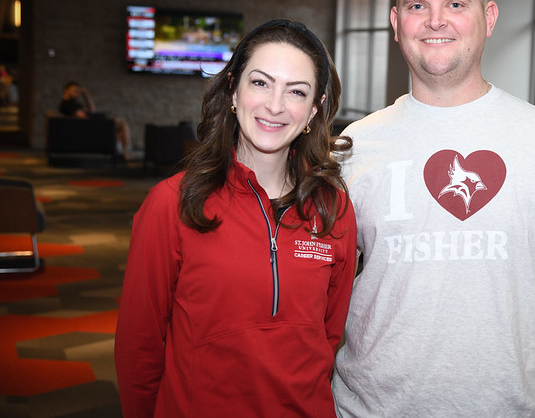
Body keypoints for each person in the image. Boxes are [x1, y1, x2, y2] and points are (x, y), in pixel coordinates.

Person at [331, 0, 535, 417]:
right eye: (417, 5)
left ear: (488, 18)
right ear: (396, 21)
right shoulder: (352, 147)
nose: (435, 21)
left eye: (456, 4)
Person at [114, 20, 358, 417]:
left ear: (314, 109)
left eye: (296, 91)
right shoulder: (172, 203)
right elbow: (138, 348)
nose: (275, 105)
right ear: (233, 88)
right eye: (260, 83)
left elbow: (328, 336)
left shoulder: (333, 210)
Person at [58, 80, 133, 159]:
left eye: (78, 91)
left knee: (118, 125)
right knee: (121, 124)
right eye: (75, 90)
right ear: (66, 90)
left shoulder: (74, 103)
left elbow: (92, 111)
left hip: (90, 127)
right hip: (89, 129)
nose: (77, 93)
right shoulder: (66, 104)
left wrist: (86, 95)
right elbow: (85, 117)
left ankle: (122, 152)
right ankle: (127, 153)